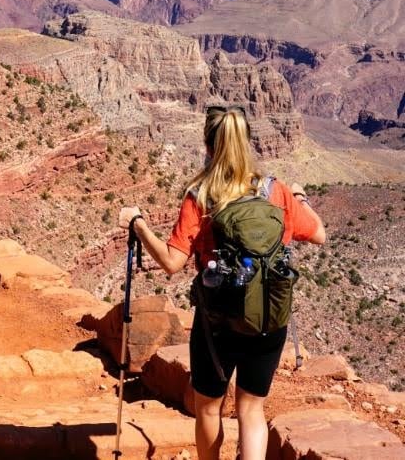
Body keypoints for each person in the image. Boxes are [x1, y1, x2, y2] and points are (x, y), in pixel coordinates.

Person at [118, 106, 326, 460]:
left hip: (218, 324)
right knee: (251, 410)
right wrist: (301, 200)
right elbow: (318, 233)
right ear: (247, 142)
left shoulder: (201, 195)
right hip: (268, 320)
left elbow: (171, 262)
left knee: (209, 409)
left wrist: (137, 224)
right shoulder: (275, 191)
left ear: (208, 146)